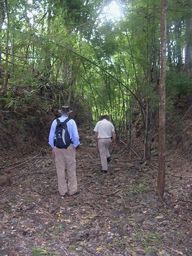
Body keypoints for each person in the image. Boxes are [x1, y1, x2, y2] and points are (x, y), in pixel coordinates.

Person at [48, 105, 80, 196]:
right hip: (69, 147)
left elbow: (51, 136)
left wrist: (53, 147)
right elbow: (76, 136)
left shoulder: (55, 121)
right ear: (69, 112)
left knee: (60, 169)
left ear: (60, 112)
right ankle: (72, 190)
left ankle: (62, 191)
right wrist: (75, 145)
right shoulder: (71, 122)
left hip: (57, 148)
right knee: (71, 168)